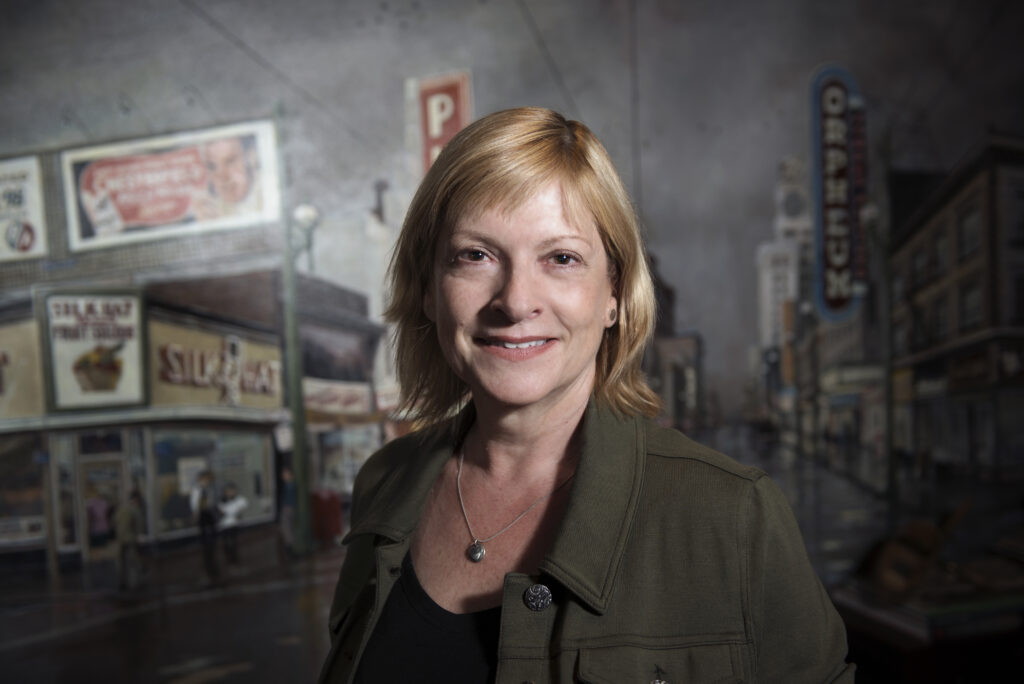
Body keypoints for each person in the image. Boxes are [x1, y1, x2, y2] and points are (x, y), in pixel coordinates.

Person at [318, 107, 854, 683]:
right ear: (428, 288)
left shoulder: (734, 516)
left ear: (613, 296)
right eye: (476, 255)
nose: (516, 301)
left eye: (562, 258)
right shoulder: (384, 484)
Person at [189, 470, 220, 585]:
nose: (205, 482)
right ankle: (207, 566)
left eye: (207, 480)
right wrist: (195, 513)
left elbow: (214, 502)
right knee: (205, 543)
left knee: (212, 540)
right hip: (202, 515)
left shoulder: (211, 489)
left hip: (210, 515)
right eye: (203, 480)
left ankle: (212, 564)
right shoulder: (197, 490)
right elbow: (194, 503)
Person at [115, 490, 145, 591]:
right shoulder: (135, 509)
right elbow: (139, 525)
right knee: (133, 562)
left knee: (122, 562)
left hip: (121, 539)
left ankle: (122, 582)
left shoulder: (122, 509)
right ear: (137, 499)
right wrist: (139, 537)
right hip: (130, 539)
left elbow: (114, 522)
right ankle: (135, 584)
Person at [218, 482, 248, 566]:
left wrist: (238, 511)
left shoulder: (238, 499)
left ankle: (234, 559)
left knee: (233, 542)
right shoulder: (222, 501)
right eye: (228, 491)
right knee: (226, 542)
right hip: (224, 525)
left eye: (232, 491)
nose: (230, 493)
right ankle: (228, 558)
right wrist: (232, 511)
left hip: (233, 524)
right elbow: (223, 511)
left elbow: (244, 504)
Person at [278, 466, 297, 559]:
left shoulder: (290, 485)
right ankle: (289, 548)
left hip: (288, 508)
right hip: (288, 508)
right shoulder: (288, 485)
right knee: (288, 528)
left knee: (288, 528)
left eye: (285, 474)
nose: (284, 476)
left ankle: (290, 548)